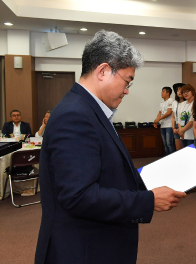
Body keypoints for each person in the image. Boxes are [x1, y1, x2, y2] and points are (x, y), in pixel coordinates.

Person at [35, 30, 186, 264]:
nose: (127, 90)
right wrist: (148, 201)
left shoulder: (87, 108)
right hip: (82, 251)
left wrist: (150, 179)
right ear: (103, 71)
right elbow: (79, 197)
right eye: (127, 81)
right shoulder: (75, 115)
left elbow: (104, 172)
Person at [154, 86, 175, 155]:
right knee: (165, 143)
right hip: (162, 125)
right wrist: (156, 121)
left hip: (169, 125)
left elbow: (169, 112)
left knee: (169, 143)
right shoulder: (162, 102)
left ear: (168, 93)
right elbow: (159, 112)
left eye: (163, 91)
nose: (161, 93)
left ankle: (172, 159)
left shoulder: (171, 100)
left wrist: (159, 119)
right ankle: (167, 158)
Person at [172, 83, 185, 151]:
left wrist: (181, 129)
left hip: (185, 126)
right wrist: (173, 128)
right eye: (177, 91)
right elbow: (173, 117)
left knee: (184, 148)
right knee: (178, 149)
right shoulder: (174, 103)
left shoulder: (187, 103)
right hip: (176, 126)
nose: (179, 92)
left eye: (181, 90)